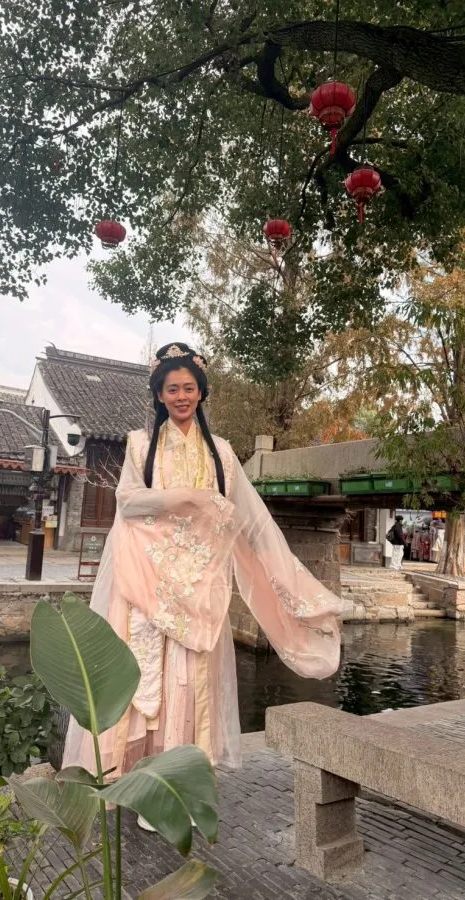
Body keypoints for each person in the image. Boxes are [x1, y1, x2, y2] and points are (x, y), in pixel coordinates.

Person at [62, 343, 343, 828]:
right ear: (159, 394)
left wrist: (298, 589)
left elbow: (255, 523)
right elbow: (127, 502)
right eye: (172, 388)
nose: (181, 396)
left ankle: (180, 791)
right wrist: (188, 498)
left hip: (200, 586)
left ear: (201, 392)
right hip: (149, 581)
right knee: (145, 682)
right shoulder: (139, 445)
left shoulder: (223, 454)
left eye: (189, 388)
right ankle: (143, 786)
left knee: (190, 687)